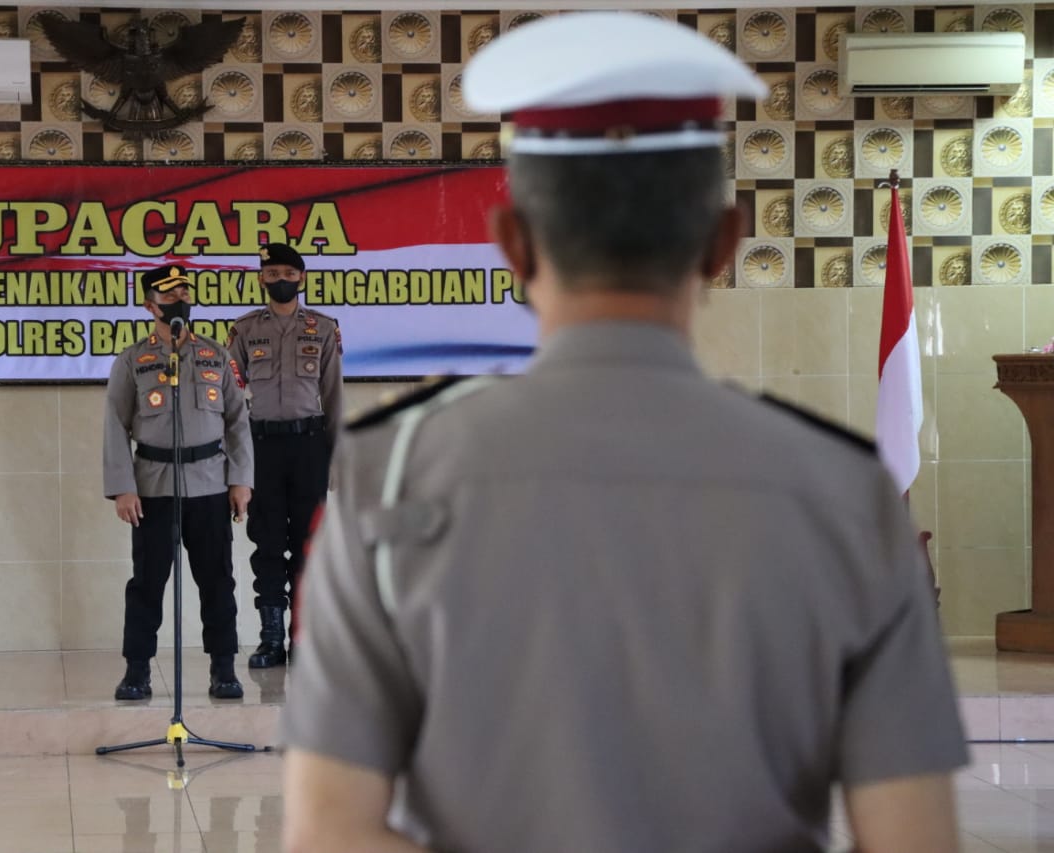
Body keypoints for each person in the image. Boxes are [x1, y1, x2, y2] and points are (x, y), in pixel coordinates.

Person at [280, 12, 968, 853]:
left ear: (512, 243)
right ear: (723, 243)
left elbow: (328, 833)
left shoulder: (387, 475)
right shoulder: (849, 492)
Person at [104, 264, 254, 701]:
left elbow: (237, 422)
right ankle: (137, 672)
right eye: (168, 296)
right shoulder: (133, 360)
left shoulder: (216, 356)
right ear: (150, 306)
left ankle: (223, 668)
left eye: (184, 292)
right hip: (152, 488)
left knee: (217, 581)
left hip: (209, 485)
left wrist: (241, 481)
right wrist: (122, 487)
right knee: (147, 584)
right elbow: (115, 425)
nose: (179, 301)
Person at [225, 243, 342, 669]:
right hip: (261, 449)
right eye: (271, 272)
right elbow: (232, 403)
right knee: (268, 544)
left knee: (309, 546)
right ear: (260, 278)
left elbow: (333, 397)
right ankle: (271, 639)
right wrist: (235, 463)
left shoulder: (323, 329)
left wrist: (336, 458)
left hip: (309, 446)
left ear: (302, 278)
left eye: (288, 273)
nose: (280, 280)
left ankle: (304, 639)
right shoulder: (243, 331)